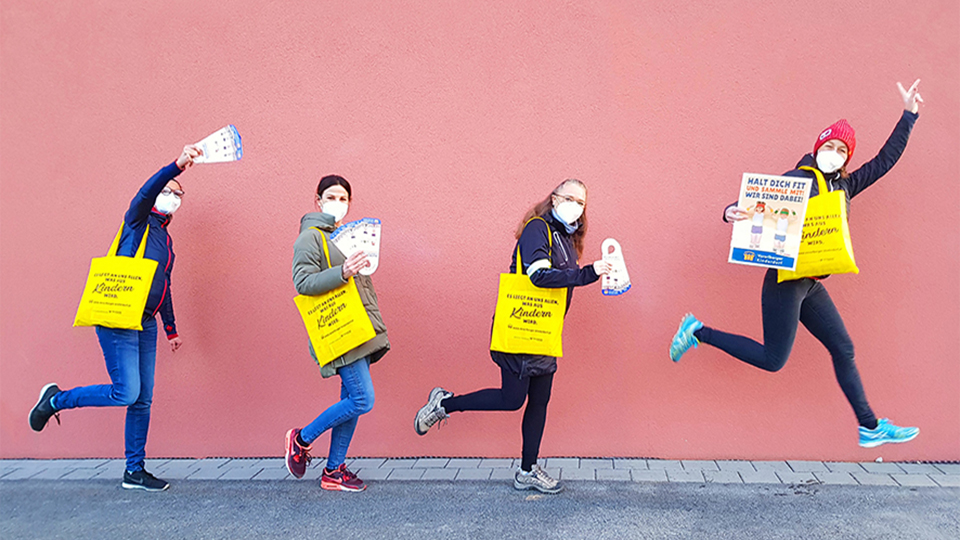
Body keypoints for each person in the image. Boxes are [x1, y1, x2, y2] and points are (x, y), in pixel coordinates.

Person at [670, 80, 924, 448]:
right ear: (818, 147)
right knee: (773, 359)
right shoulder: (796, 180)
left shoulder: (845, 187)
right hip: (786, 282)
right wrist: (729, 213)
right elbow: (755, 207)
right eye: (830, 146)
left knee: (843, 348)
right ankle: (697, 332)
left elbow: (884, 162)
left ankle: (869, 426)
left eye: (842, 150)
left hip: (811, 283)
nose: (835, 153)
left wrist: (909, 115)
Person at [414, 179, 612, 494]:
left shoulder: (564, 237)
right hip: (522, 327)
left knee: (540, 401)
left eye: (581, 201)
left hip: (544, 331)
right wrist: (590, 272)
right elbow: (538, 276)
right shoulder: (538, 227)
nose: (575, 204)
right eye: (569, 197)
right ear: (554, 198)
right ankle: (445, 404)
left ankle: (527, 470)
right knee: (512, 399)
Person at [28, 144, 203, 491]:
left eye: (178, 195)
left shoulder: (165, 240)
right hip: (118, 318)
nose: (172, 197)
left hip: (146, 323)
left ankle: (133, 471)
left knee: (142, 399)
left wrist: (171, 329)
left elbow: (162, 285)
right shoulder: (137, 222)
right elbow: (144, 191)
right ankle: (55, 399)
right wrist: (176, 167)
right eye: (168, 192)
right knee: (126, 392)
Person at [284, 175, 389, 492]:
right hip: (339, 331)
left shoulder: (344, 236)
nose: (338, 203)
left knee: (351, 399)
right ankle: (301, 439)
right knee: (362, 399)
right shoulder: (310, 238)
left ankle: (333, 471)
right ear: (317, 200)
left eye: (344, 198)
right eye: (332, 197)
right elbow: (302, 283)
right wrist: (342, 273)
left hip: (358, 329)